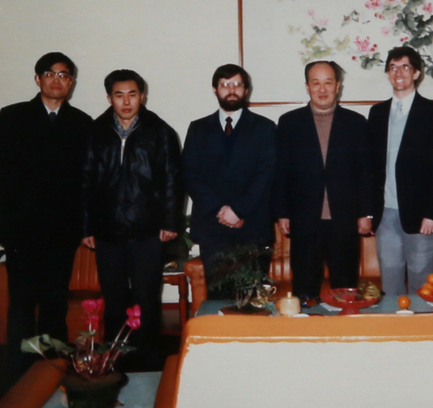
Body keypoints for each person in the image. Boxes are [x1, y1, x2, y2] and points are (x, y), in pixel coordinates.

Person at [0, 52, 92, 385]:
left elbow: (87, 182)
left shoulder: (82, 123)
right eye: (49, 74)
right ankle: (17, 377)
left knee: (55, 302)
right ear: (37, 79)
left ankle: (53, 373)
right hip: (20, 230)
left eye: (64, 75)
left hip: (61, 232)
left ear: (71, 82)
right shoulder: (10, 118)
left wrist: (83, 226)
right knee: (22, 303)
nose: (57, 80)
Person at [81, 70, 183, 369]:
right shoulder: (95, 132)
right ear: (109, 98)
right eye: (119, 95)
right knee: (113, 301)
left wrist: (170, 222)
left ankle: (148, 363)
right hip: (107, 230)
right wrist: (86, 227)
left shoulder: (160, 132)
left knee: (146, 299)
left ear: (142, 96)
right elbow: (85, 181)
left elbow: (173, 181)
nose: (126, 102)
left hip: (147, 231)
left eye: (132, 94)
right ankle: (113, 363)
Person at [273, 61, 373, 304]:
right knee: (305, 292)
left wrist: (366, 213)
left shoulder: (356, 122)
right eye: (315, 83)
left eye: (328, 82)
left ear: (337, 86)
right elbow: (281, 171)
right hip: (304, 220)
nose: (322, 89)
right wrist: (282, 212)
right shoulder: (289, 122)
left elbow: (366, 172)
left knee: (345, 292)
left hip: (345, 221)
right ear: (307, 86)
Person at [182, 64, 277, 294]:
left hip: (252, 227)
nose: (231, 90)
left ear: (246, 90)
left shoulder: (265, 128)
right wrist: (220, 209)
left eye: (237, 84)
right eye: (225, 85)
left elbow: (266, 174)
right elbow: (189, 173)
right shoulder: (198, 129)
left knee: (252, 299)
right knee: (218, 298)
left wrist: (238, 210)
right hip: (212, 229)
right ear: (215, 90)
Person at [368, 46, 433, 295]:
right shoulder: (377, 113)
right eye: (393, 68)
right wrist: (369, 212)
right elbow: (370, 167)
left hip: (420, 215)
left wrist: (432, 214)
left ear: (416, 73)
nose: (399, 73)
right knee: (390, 282)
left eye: (405, 67)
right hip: (385, 214)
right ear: (387, 74)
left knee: (422, 282)